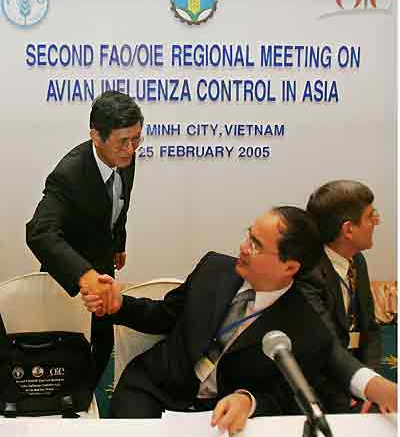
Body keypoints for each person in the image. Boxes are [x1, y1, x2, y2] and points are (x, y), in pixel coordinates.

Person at [82, 206, 396, 431]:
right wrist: (119, 305)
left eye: (257, 245)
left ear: (290, 267)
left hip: (222, 412)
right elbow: (164, 316)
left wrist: (249, 400)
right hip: (154, 390)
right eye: (249, 235)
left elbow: (284, 396)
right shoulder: (213, 270)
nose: (244, 248)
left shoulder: (304, 326)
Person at [26, 90, 144, 381]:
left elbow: (118, 204)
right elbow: (39, 232)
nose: (131, 149)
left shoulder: (124, 159)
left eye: (137, 138)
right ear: (96, 136)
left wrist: (118, 243)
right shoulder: (69, 174)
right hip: (70, 278)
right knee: (66, 357)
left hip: (104, 269)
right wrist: (83, 274)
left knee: (101, 347)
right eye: (123, 141)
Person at [300, 180, 384, 413]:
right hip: (322, 390)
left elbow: (369, 330)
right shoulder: (309, 274)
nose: (376, 221)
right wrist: (352, 397)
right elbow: (323, 350)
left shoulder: (357, 260)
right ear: (348, 229)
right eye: (370, 216)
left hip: (358, 381)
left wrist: (371, 383)